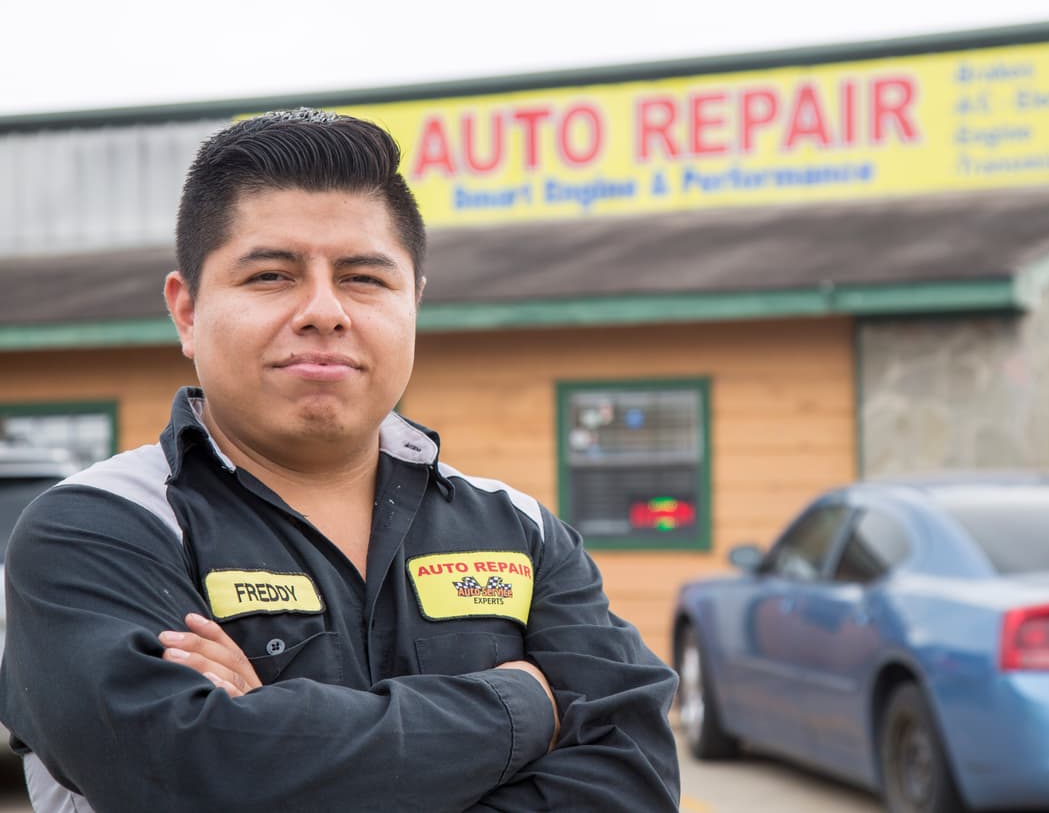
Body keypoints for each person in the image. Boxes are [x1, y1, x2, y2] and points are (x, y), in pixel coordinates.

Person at [0, 108, 681, 813]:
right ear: (188, 312)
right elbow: (193, 773)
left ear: (413, 303)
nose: (324, 311)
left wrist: (275, 741)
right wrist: (521, 707)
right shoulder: (96, 531)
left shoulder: (523, 533)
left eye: (363, 278)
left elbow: (633, 784)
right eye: (271, 275)